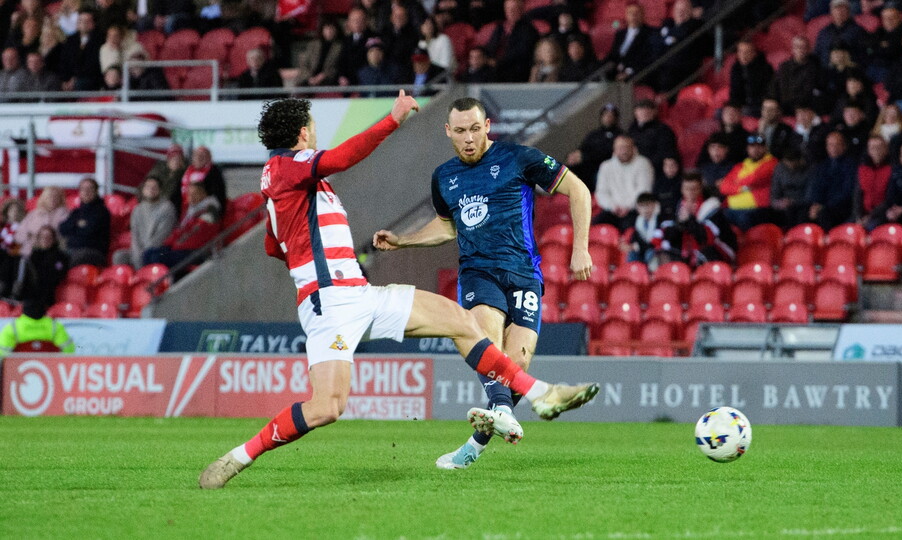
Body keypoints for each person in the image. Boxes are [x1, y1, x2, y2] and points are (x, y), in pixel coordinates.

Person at [198, 93, 599, 489]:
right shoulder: (293, 165)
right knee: (327, 407)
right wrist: (392, 120)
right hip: (331, 302)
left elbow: (272, 245)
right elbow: (342, 158)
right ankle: (238, 457)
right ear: (304, 132)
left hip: (357, 293)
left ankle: (541, 393)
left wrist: (308, 252)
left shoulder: (280, 180)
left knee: (460, 322)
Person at [372, 96, 595, 470]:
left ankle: (475, 444)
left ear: (487, 126)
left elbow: (579, 190)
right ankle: (509, 411)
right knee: (486, 337)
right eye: (460, 131)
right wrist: (404, 239)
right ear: (448, 132)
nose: (469, 138)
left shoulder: (519, 158)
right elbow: (447, 225)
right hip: (478, 272)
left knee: (515, 365)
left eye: (475, 129)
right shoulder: (443, 177)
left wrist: (581, 249)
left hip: (524, 272)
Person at [652, 172, 736, 266]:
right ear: (682, 189)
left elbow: (706, 238)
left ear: (700, 189)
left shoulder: (712, 207)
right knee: (663, 252)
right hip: (689, 250)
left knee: (705, 251)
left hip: (719, 250)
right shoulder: (676, 207)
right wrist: (680, 222)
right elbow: (667, 235)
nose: (690, 192)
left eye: (694, 189)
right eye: (687, 189)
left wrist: (690, 219)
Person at [143, 178, 221, 270]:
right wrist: (167, 244)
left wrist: (175, 246)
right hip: (182, 246)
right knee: (148, 253)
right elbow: (180, 230)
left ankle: (167, 280)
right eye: (189, 194)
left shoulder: (209, 212)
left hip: (198, 251)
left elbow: (196, 237)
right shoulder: (190, 210)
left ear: (204, 194)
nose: (191, 197)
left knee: (157, 257)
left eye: (195, 194)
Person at [593, 134, 655, 232]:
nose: (624, 151)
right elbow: (601, 192)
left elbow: (644, 190)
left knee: (629, 230)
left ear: (633, 148)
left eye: (627, 147)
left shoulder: (643, 164)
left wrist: (627, 207)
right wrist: (613, 206)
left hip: (635, 210)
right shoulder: (605, 166)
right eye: (620, 148)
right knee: (594, 226)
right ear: (614, 149)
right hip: (613, 209)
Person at [112, 176, 177, 268]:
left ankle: (144, 279)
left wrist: (143, 253)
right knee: (119, 256)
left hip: (159, 249)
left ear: (160, 190)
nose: (151, 190)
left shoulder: (167, 208)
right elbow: (135, 236)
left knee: (149, 255)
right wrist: (137, 252)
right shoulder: (137, 209)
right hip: (139, 250)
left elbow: (162, 236)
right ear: (143, 190)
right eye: (148, 187)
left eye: (154, 187)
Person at [718, 133, 778, 231]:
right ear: (747, 148)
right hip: (731, 209)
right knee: (718, 218)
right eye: (752, 146)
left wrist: (736, 182)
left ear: (765, 148)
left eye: (759, 146)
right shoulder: (741, 165)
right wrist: (742, 188)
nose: (755, 149)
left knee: (744, 218)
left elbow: (754, 179)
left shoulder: (771, 163)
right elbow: (724, 187)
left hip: (757, 210)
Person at [565, 102, 623, 192]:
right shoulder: (594, 134)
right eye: (605, 115)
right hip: (585, 165)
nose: (608, 118)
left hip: (602, 168)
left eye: (611, 115)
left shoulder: (620, 135)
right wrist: (575, 155)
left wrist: (585, 157)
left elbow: (608, 154)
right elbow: (582, 148)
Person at [808, 131, 858, 230]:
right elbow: (817, 187)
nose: (834, 148)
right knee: (801, 212)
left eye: (837, 145)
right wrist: (815, 204)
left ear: (844, 146)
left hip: (842, 206)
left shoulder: (851, 165)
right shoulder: (823, 165)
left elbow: (847, 191)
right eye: (830, 145)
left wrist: (824, 206)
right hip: (823, 205)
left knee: (825, 214)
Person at [58, 177, 111, 267]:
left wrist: (74, 228)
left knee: (69, 260)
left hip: (93, 252)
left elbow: (89, 231)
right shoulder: (76, 212)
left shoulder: (102, 211)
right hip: (72, 250)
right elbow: (62, 228)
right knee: (53, 260)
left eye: (90, 188)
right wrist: (77, 224)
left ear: (96, 191)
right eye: (83, 189)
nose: (86, 192)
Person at [768, 35, 826, 115]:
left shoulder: (815, 67)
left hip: (804, 106)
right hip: (784, 104)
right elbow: (775, 86)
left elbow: (810, 91)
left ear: (809, 49)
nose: (800, 50)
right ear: (792, 49)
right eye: (797, 47)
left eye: (803, 47)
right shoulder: (784, 66)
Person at [17, 225, 69, 307]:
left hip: (50, 295)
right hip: (31, 295)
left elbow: (58, 275)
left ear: (54, 239)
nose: (45, 239)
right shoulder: (33, 256)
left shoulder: (60, 257)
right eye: (42, 237)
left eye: (49, 237)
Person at [0, 299, 74, 355]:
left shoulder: (12, 328)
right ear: (45, 310)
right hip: (50, 371)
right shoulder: (55, 326)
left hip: (18, 372)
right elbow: (69, 351)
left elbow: (2, 354)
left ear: (23, 310)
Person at [604, 2, 656, 82]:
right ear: (626, 16)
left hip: (635, 73)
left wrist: (629, 72)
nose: (633, 16)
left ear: (643, 15)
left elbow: (647, 58)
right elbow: (613, 54)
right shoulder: (620, 34)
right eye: (630, 13)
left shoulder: (650, 33)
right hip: (615, 71)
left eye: (637, 13)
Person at [16, 186, 69, 256]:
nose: (52, 199)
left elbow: (66, 236)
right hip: (31, 251)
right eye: (49, 196)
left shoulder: (66, 215)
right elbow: (19, 236)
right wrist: (32, 238)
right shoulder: (33, 214)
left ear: (60, 199)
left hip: (56, 252)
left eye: (55, 196)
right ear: (43, 198)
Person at [770, 148, 812, 228]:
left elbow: (810, 196)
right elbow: (774, 192)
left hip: (802, 204)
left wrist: (792, 202)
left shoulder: (810, 170)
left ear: (800, 160)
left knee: (800, 213)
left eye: (793, 161)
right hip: (783, 204)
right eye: (788, 162)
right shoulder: (779, 169)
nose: (790, 165)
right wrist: (778, 203)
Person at [729, 40, 773, 118]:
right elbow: (734, 92)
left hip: (759, 106)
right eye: (741, 52)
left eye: (747, 52)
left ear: (754, 53)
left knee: (745, 112)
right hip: (741, 106)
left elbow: (767, 92)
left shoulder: (765, 68)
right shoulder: (736, 69)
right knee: (720, 113)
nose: (743, 55)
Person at [180, 145, 227, 217]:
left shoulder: (213, 171)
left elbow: (216, 193)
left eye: (203, 156)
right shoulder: (188, 170)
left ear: (209, 158)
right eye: (197, 155)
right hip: (185, 202)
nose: (199, 158)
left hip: (203, 204)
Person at [623, 192, 661, 266]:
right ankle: (632, 273)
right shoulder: (637, 222)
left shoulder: (659, 221)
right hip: (642, 250)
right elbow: (635, 238)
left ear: (654, 205)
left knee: (650, 254)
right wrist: (631, 246)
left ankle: (652, 276)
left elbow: (655, 243)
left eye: (648, 206)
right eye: (642, 206)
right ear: (637, 208)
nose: (645, 209)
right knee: (631, 254)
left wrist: (636, 246)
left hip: (654, 250)